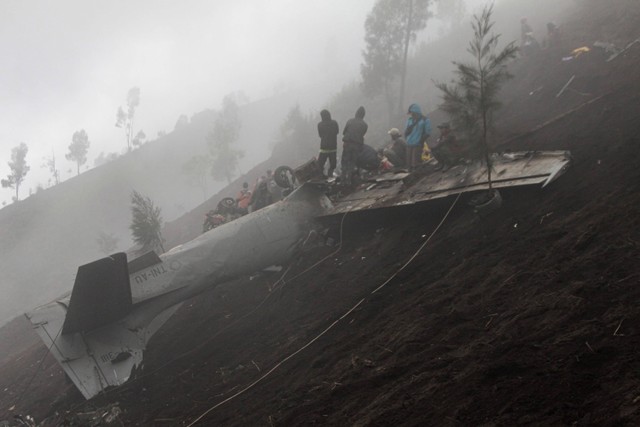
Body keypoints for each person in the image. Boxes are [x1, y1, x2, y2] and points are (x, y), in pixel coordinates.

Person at [341, 106, 368, 185]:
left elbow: (344, 132)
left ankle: (343, 180)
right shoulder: (365, 125)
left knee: (345, 162)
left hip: (347, 144)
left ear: (356, 113)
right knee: (352, 163)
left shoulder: (350, 121)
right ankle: (349, 181)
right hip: (357, 145)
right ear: (363, 115)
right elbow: (362, 134)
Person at [404, 103, 431, 170]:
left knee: (415, 162)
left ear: (416, 112)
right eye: (410, 113)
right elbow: (406, 131)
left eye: (412, 112)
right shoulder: (409, 120)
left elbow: (428, 132)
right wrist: (406, 138)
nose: (411, 114)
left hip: (417, 143)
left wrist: (421, 141)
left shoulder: (425, 120)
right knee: (409, 163)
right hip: (409, 143)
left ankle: (419, 173)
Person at [317, 109, 339, 178]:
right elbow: (337, 132)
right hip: (333, 147)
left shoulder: (320, 125)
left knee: (320, 164)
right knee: (333, 164)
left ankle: (321, 175)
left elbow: (320, 135)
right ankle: (330, 174)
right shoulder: (334, 123)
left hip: (324, 147)